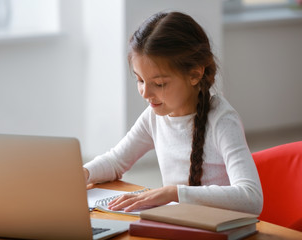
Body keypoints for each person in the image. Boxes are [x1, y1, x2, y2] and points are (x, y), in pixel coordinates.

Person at [83, 11, 263, 215]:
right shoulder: (153, 117)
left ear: (195, 74)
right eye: (140, 80)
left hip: (220, 229)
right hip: (180, 223)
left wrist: (173, 193)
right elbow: (116, 161)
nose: (145, 93)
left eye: (159, 84)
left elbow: (251, 197)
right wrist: (84, 173)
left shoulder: (222, 121)